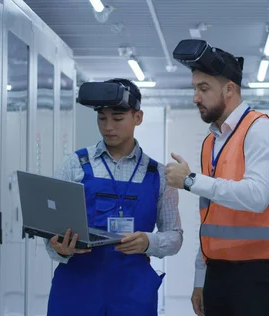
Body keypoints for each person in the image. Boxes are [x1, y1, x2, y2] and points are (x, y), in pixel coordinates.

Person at [166, 41, 269, 316]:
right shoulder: (211, 142)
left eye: (204, 89)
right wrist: (200, 279)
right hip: (218, 271)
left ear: (230, 89)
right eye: (194, 89)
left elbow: (256, 197)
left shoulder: (260, 130)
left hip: (258, 276)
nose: (195, 98)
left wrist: (190, 180)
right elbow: (211, 218)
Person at [44, 78, 184, 316]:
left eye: (118, 118)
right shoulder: (75, 165)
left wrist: (149, 242)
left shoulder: (159, 175)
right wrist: (59, 249)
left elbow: (175, 237)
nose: (109, 126)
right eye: (102, 118)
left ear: (137, 118)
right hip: (76, 290)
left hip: (132, 294)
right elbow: (51, 234)